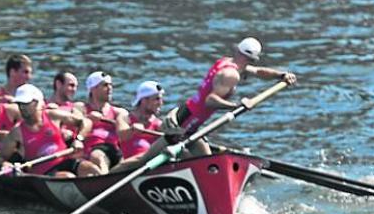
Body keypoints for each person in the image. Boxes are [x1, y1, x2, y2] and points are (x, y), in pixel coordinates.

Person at [124, 37, 296, 169]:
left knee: (207, 162)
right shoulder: (231, 75)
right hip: (184, 123)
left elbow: (259, 72)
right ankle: (108, 177)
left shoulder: (228, 62)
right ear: (252, 58)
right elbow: (210, 100)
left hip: (190, 118)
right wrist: (236, 105)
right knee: (145, 160)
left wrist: (280, 75)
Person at [0, 84, 98, 178]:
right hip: (42, 174)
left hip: (65, 161)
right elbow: (0, 158)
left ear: (36, 103)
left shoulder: (53, 116)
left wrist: (79, 139)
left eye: (26, 104)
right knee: (68, 177)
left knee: (92, 169)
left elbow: (86, 122)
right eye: (20, 104)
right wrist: (5, 164)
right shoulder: (16, 132)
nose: (22, 108)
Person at [80, 71, 128, 174]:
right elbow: (73, 117)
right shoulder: (81, 108)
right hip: (92, 150)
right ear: (93, 89)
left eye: (111, 85)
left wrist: (118, 124)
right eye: (105, 85)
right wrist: (87, 117)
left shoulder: (119, 112)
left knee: (127, 163)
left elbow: (124, 128)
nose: (110, 88)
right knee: (98, 156)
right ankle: (104, 180)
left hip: (115, 150)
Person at [118, 81, 164, 162]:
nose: (161, 103)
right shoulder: (125, 118)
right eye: (157, 99)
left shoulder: (159, 124)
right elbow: (122, 135)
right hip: (128, 166)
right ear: (144, 100)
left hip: (150, 164)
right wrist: (132, 130)